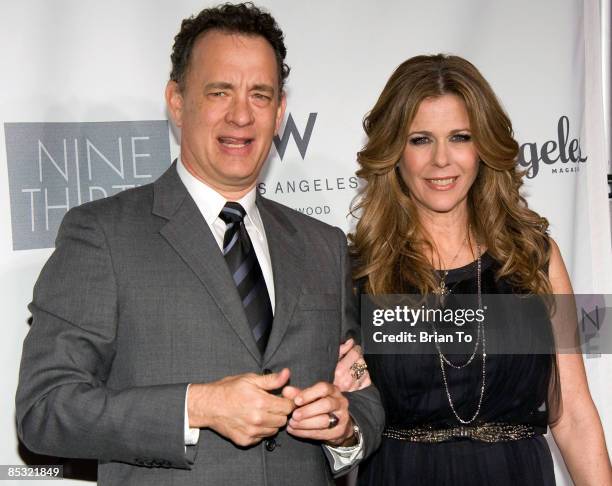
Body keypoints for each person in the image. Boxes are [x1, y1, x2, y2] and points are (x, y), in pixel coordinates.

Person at [15, 4, 384, 486]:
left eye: (259, 94)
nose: (240, 115)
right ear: (176, 100)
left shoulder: (324, 246)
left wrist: (344, 425)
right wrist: (198, 406)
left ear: (280, 112)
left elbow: (362, 396)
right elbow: (46, 410)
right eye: (219, 91)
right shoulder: (102, 234)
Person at [349, 54, 612, 485]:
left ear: (484, 146)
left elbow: (575, 415)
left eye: (460, 137)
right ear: (393, 152)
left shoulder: (534, 258)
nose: (441, 160)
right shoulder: (361, 273)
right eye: (419, 139)